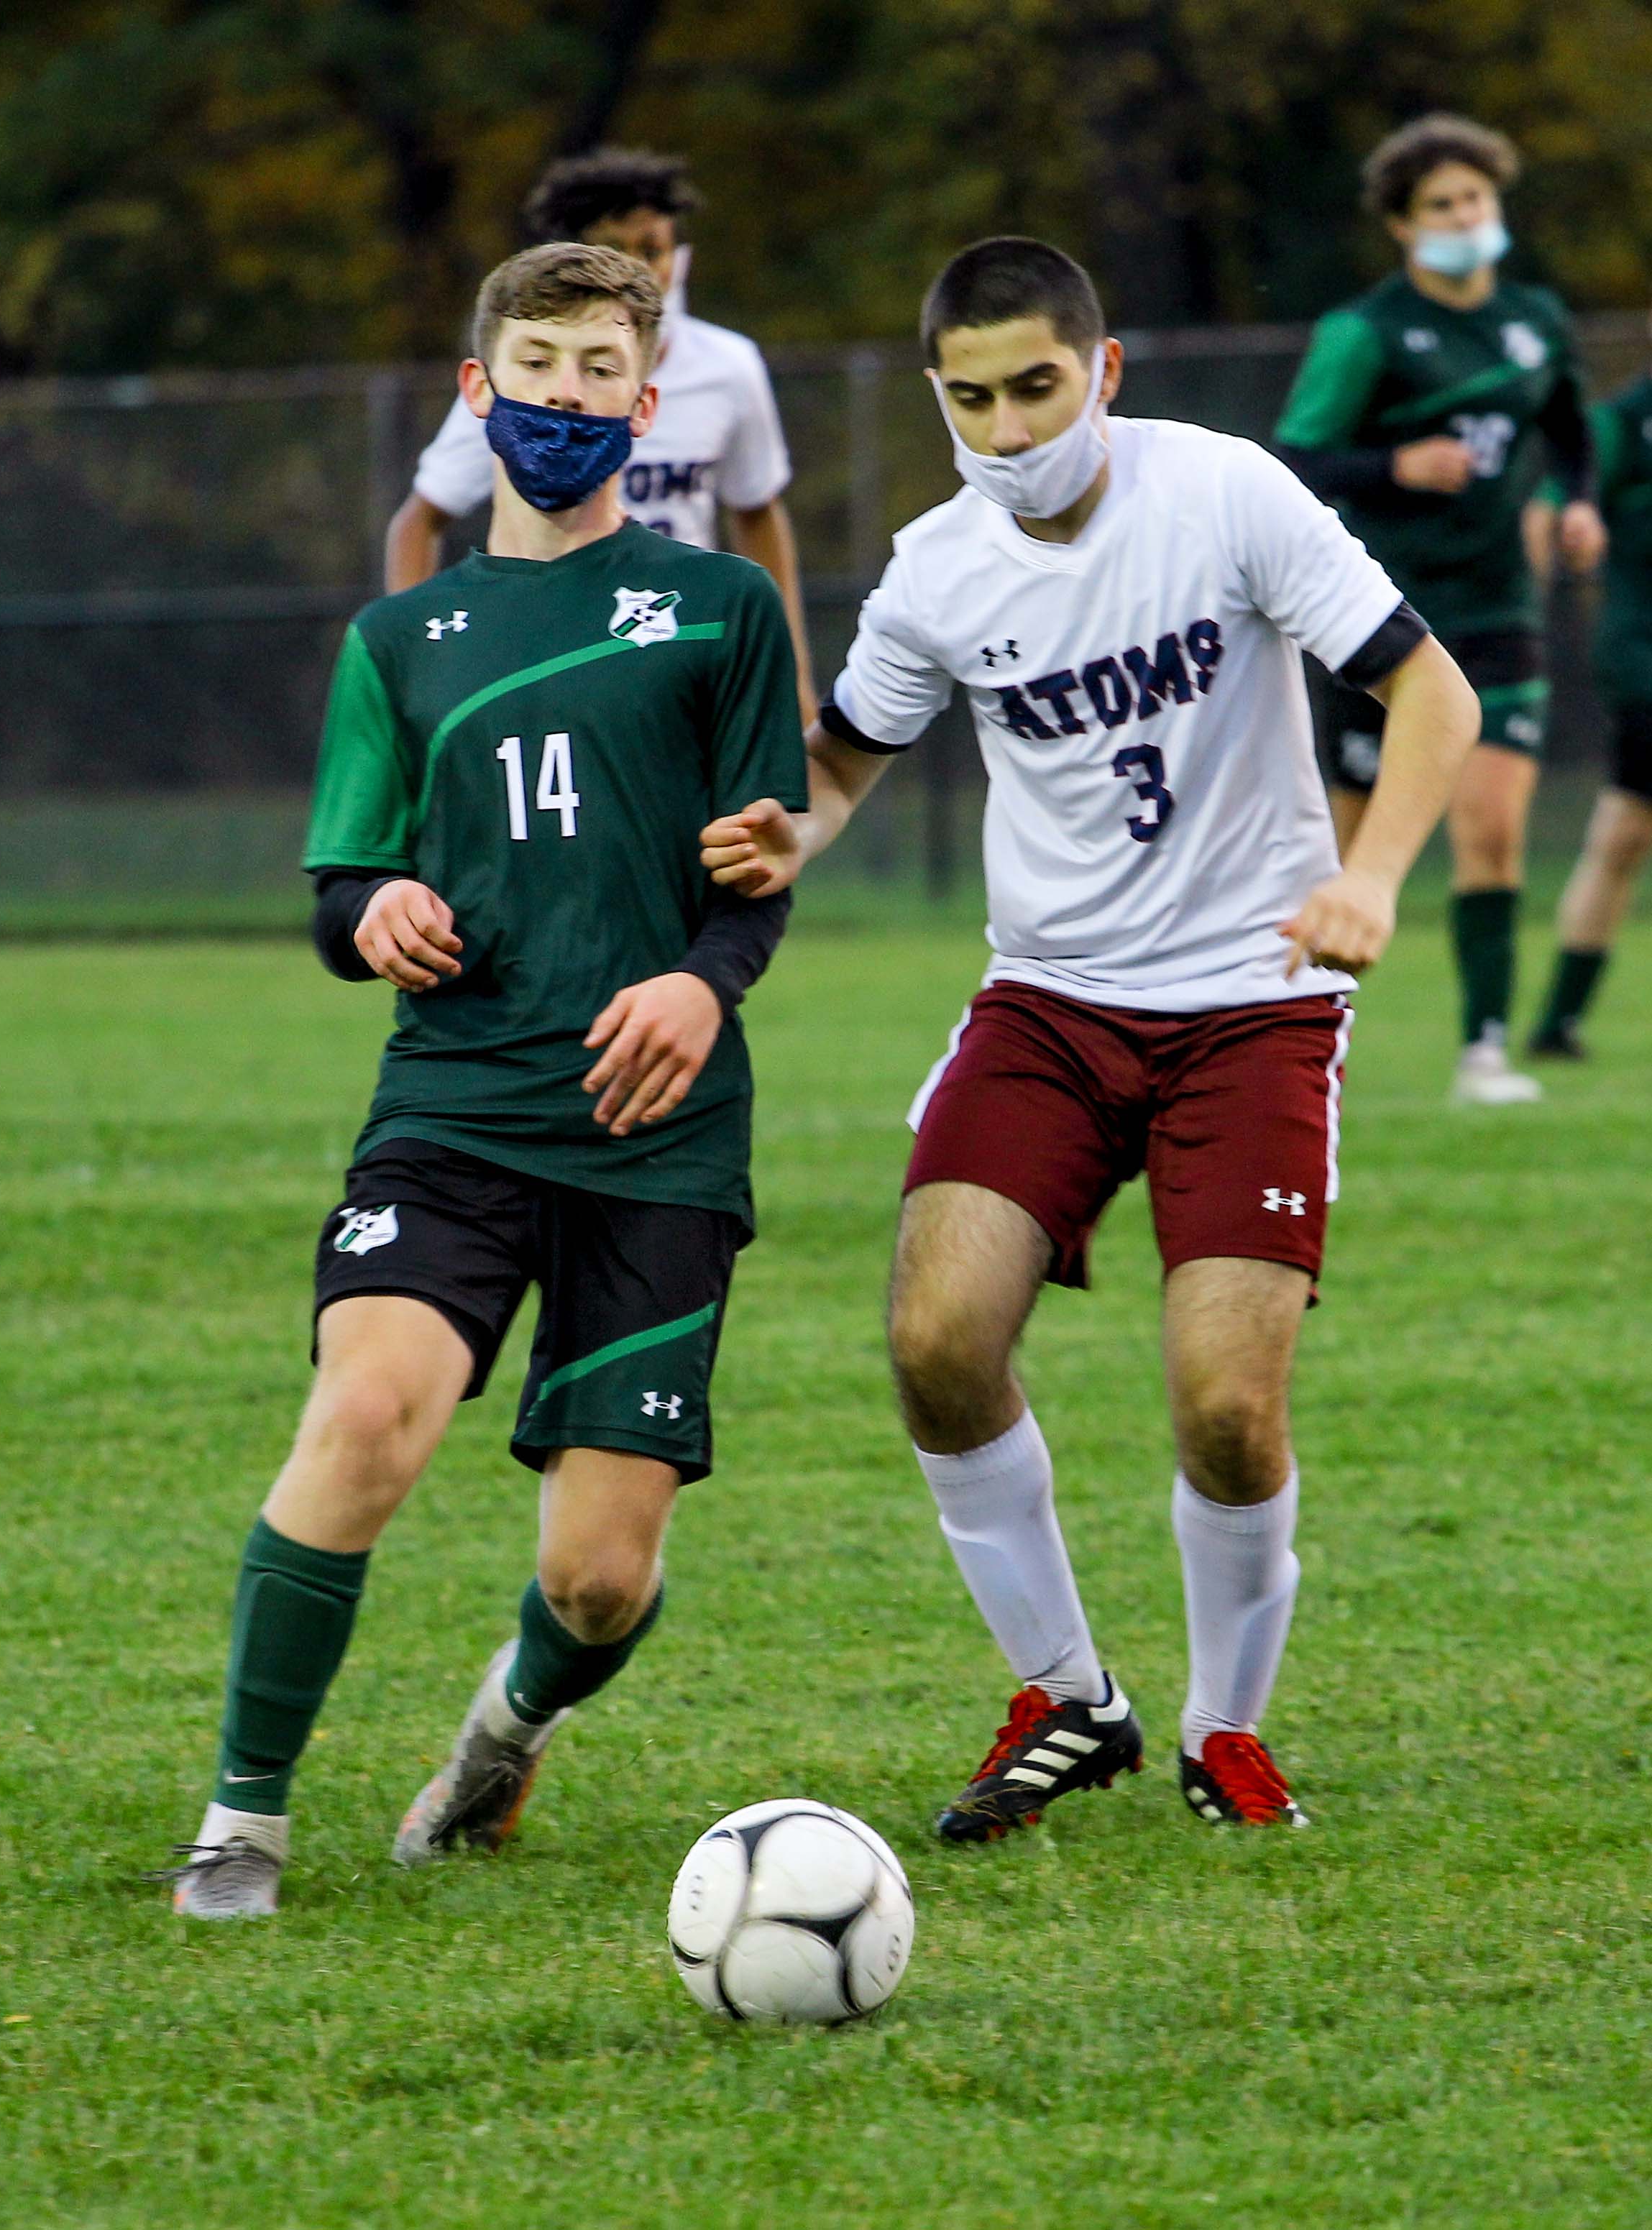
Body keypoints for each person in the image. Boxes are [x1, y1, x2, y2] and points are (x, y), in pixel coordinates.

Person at [702, 237, 1477, 1835]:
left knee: (1224, 1406)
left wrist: (1373, 878)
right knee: (935, 1341)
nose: (1006, 429)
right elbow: (847, 755)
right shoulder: (934, 567)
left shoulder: (1226, 495)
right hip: (1048, 1002)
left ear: (1101, 371)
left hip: (1254, 1003)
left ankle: (1223, 1727)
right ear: (939, 400)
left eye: (1036, 388)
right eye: (969, 400)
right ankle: (1068, 1697)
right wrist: (800, 834)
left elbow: (1432, 694)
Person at [158, 242, 807, 1918]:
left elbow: (759, 866)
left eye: (600, 370)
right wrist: (369, 906)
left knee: (597, 1582)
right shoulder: (398, 637)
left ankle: (504, 1734)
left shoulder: (722, 609)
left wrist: (697, 976)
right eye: (537, 366)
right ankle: (243, 1823)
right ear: (478, 390)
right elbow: (332, 891)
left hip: (656, 1134)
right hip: (451, 1111)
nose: (566, 398)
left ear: (645, 402)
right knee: (366, 1413)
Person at [1274, 114, 1605, 1106]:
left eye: (1476, 198)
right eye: (1441, 205)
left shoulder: (1535, 320)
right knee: (1339, 843)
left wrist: (1575, 501)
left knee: (1493, 823)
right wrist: (1394, 465)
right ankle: (1296, 1043)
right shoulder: (1364, 332)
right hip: (1377, 614)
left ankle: (1485, 1051)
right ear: (1402, 227)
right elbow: (1292, 464)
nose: (1466, 217)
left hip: (1499, 605)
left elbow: (1569, 434)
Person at [385, 146, 816, 722]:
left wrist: (794, 671)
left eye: (653, 249)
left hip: (679, 641)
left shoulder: (729, 368)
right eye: (616, 249)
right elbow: (419, 519)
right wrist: (415, 665)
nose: (640, 268)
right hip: (559, 646)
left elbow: (757, 509)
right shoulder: (523, 389)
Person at [1530, 314, 1652, 1056]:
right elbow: (1551, 507)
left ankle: (1555, 1025)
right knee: (1622, 835)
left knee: (1621, 834)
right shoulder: (1624, 426)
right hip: (1642, 662)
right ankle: (1558, 1022)